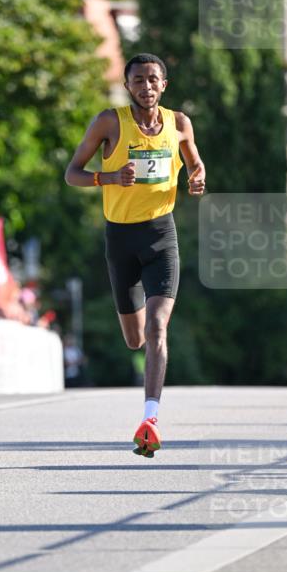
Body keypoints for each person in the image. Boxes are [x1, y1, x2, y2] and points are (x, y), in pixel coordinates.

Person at [65, 52, 206, 457]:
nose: (146, 86)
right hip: (121, 239)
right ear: (128, 86)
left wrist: (197, 177)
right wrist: (108, 176)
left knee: (158, 328)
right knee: (135, 338)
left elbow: (195, 164)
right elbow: (72, 173)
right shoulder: (110, 122)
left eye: (153, 79)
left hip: (162, 236)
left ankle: (150, 418)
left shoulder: (179, 123)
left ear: (164, 84)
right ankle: (144, 374)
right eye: (138, 80)